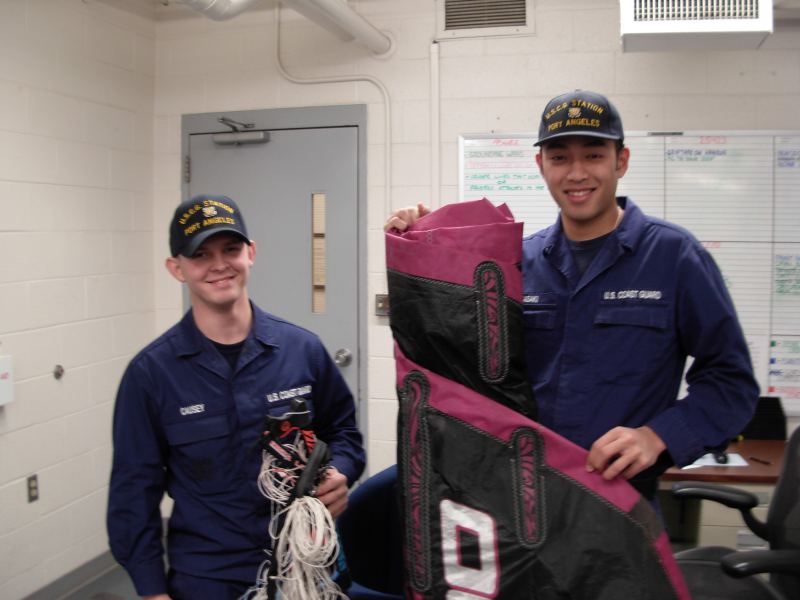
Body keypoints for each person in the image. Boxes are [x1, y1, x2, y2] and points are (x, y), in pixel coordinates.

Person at [384, 89, 758, 502]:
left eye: (594, 155)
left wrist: (658, 436)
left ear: (622, 161)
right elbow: (460, 361)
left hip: (621, 504)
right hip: (525, 500)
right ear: (541, 165)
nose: (576, 173)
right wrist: (422, 245)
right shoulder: (518, 262)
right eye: (560, 157)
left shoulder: (674, 256)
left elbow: (731, 382)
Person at [107, 194, 365, 600]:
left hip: (305, 562)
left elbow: (345, 432)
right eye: (201, 254)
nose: (219, 264)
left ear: (252, 253)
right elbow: (132, 492)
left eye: (231, 249)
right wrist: (151, 590)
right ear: (177, 269)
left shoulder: (302, 350)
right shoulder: (152, 374)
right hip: (208, 575)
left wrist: (342, 472)